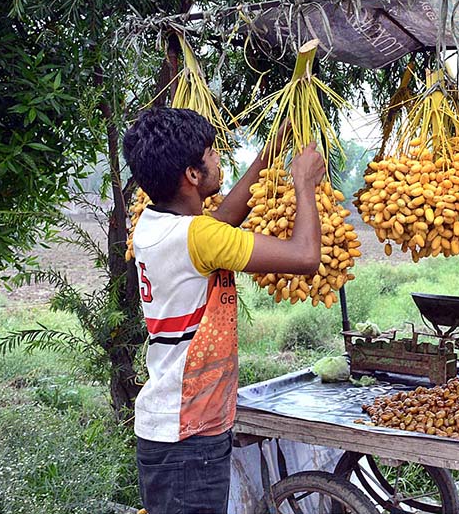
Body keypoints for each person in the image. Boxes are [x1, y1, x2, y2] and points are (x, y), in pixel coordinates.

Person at [122, 107, 324, 514]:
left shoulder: (156, 223)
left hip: (173, 428)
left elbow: (223, 219)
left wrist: (270, 153)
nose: (218, 158)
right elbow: (305, 257)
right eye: (211, 153)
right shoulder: (196, 237)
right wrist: (303, 184)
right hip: (187, 436)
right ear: (192, 176)